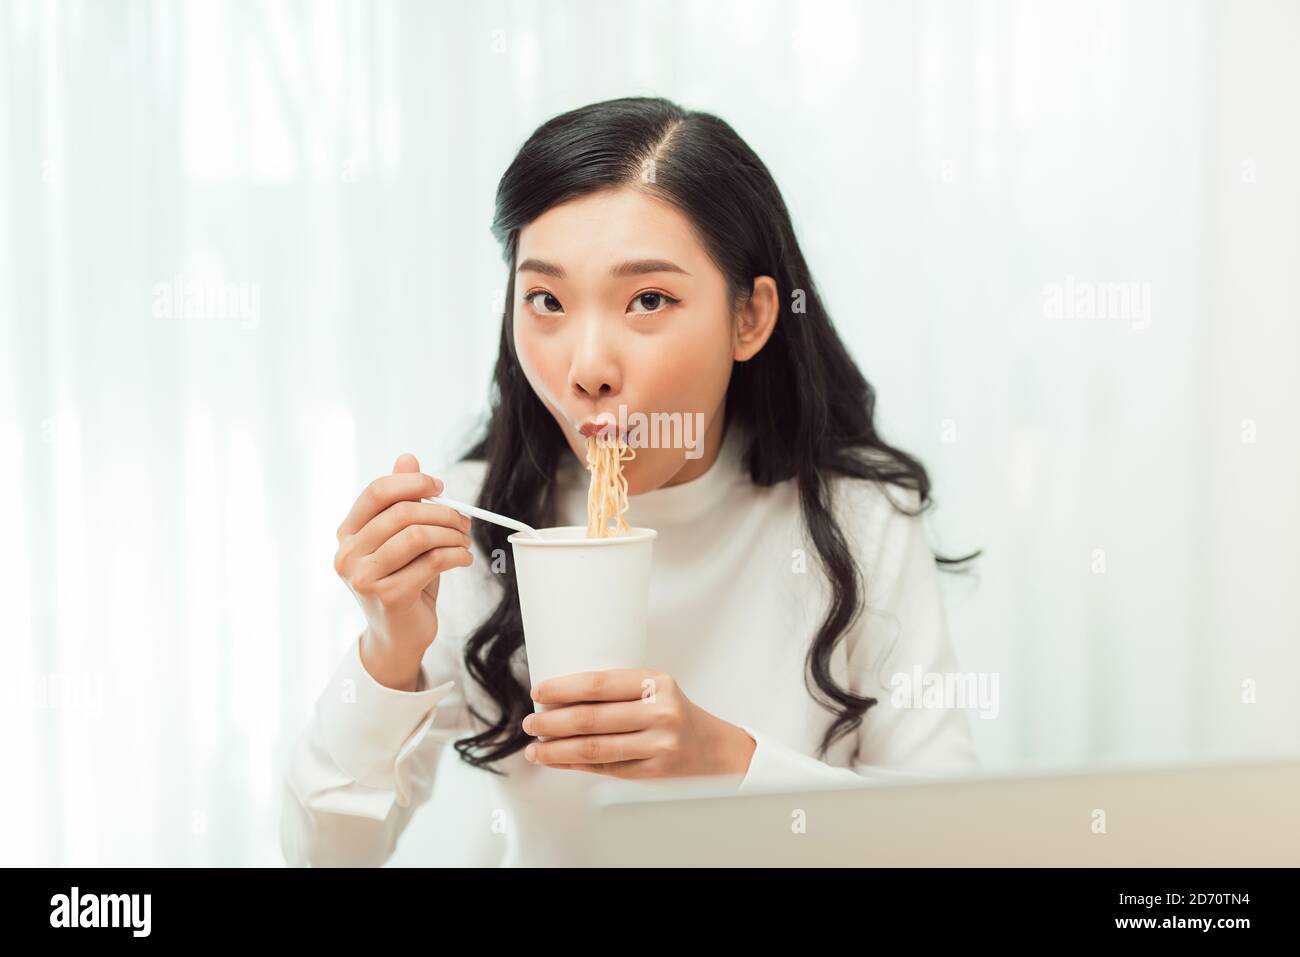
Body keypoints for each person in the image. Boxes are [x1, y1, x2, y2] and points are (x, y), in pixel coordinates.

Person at [281, 96, 980, 867]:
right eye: (545, 300)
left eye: (648, 300)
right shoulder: (486, 525)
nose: (586, 370)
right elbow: (326, 856)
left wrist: (724, 760)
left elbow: (949, 843)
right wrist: (390, 648)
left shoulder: (857, 518)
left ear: (750, 318)